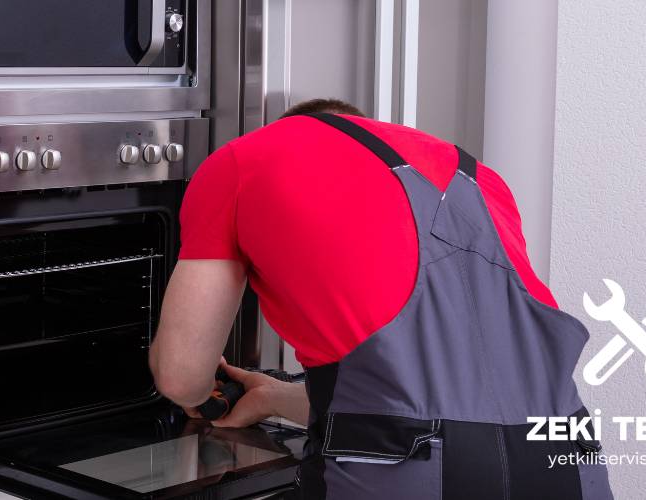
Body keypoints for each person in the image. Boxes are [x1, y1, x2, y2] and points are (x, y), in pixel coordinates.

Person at [148, 98, 614, 499]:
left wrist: (202, 399)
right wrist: (274, 397)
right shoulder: (479, 177)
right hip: (565, 457)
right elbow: (461, 411)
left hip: (406, 471)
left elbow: (181, 376)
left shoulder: (243, 159)